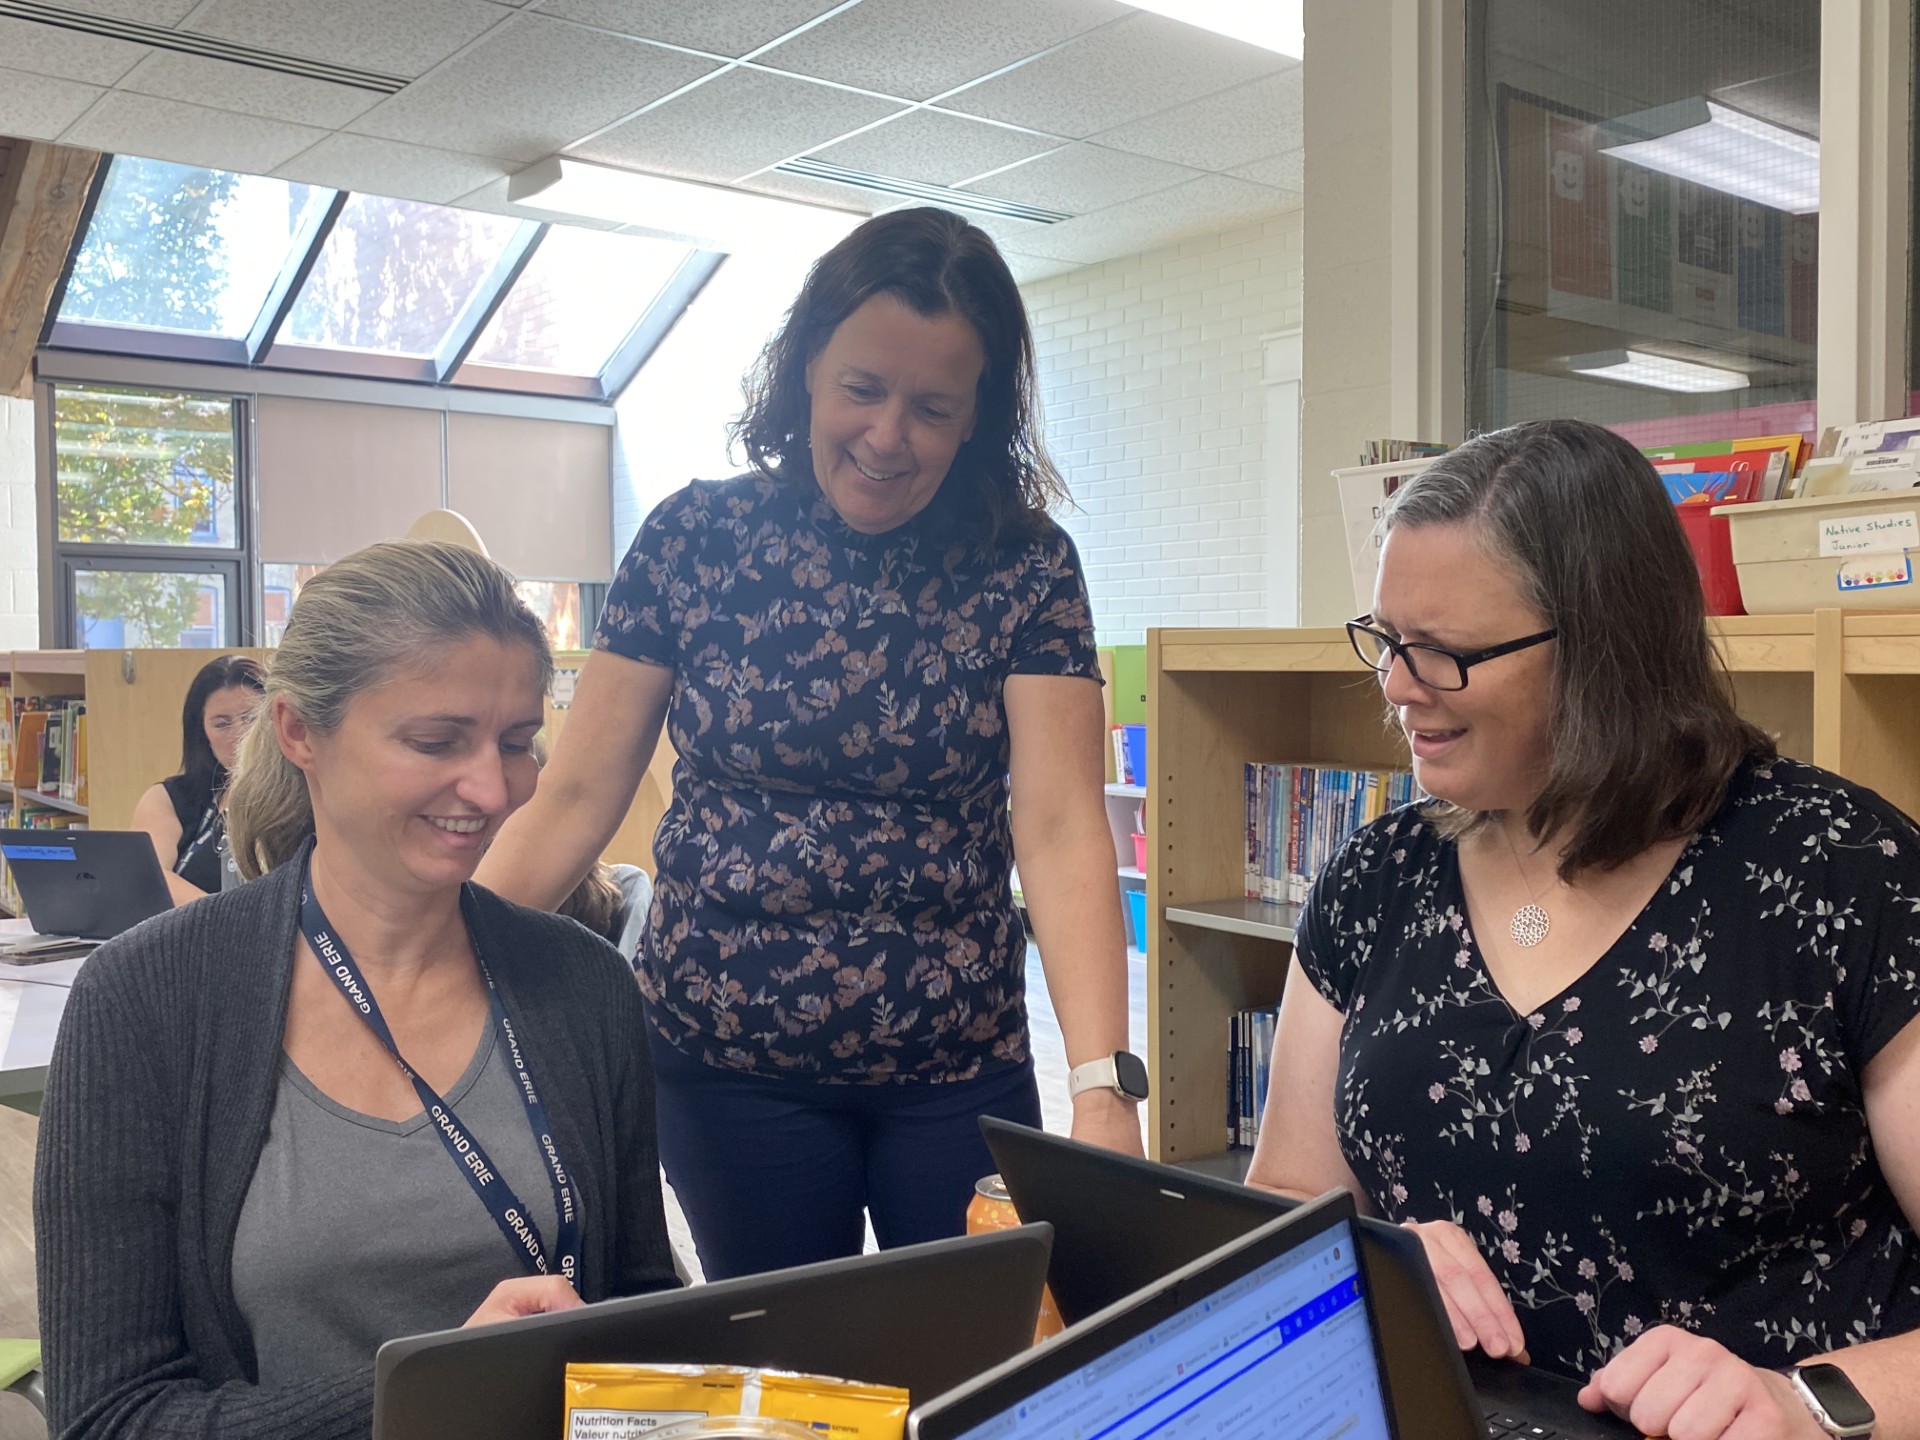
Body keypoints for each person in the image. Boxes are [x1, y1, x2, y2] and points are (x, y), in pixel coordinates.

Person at [477, 206, 1141, 1281]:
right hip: (727, 1064)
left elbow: (1060, 825)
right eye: (862, 390)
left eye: (933, 407)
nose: (888, 438)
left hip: (955, 1063)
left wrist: (1105, 1085)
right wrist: (430, 967)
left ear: (980, 416)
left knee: (981, 1355)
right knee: (793, 1380)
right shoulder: (695, 540)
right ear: (804, 374)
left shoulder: (1026, 566)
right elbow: (573, 798)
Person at [1248, 419, 1920, 1440]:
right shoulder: (1379, 877)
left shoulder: (1842, 874)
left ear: (1608, 651)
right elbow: (1288, 1198)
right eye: (1385, 640)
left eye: (1443, 654)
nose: (1394, 686)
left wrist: (1793, 1401)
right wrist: (1369, 1259)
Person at [35, 541, 678, 1439]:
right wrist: (432, 1397)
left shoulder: (583, 984)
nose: (493, 790)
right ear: (300, 733)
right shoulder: (144, 1000)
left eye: (518, 743)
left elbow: (641, 1305)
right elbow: (109, 1418)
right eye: (435, 740)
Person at [130, 653, 264, 904]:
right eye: (222, 724)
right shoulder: (170, 798)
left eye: (251, 718)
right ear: (202, 732)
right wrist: (222, 921)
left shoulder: (300, 800)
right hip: (186, 935)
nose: (241, 735)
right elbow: (147, 878)